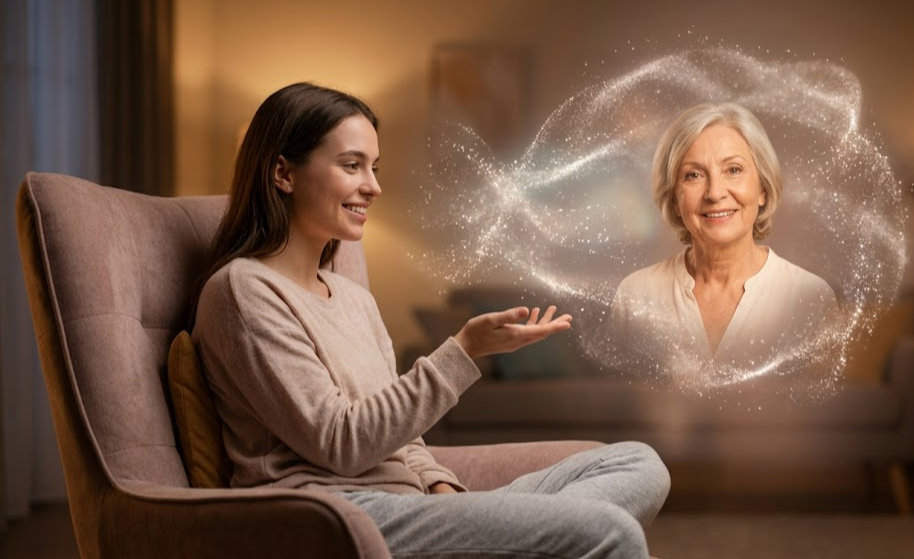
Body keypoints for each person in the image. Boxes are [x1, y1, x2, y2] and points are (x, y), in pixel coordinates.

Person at [191, 82, 669, 559]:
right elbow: (341, 443)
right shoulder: (244, 290)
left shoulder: (355, 300)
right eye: (352, 165)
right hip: (339, 515)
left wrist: (448, 498)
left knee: (639, 465)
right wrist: (463, 352)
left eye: (374, 168)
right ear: (283, 173)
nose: (373, 186)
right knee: (606, 530)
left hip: (415, 511)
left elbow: (403, 440)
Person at [613, 102, 836, 369]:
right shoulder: (635, 296)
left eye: (733, 170)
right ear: (674, 200)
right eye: (694, 175)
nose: (715, 193)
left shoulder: (811, 299)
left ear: (762, 189)